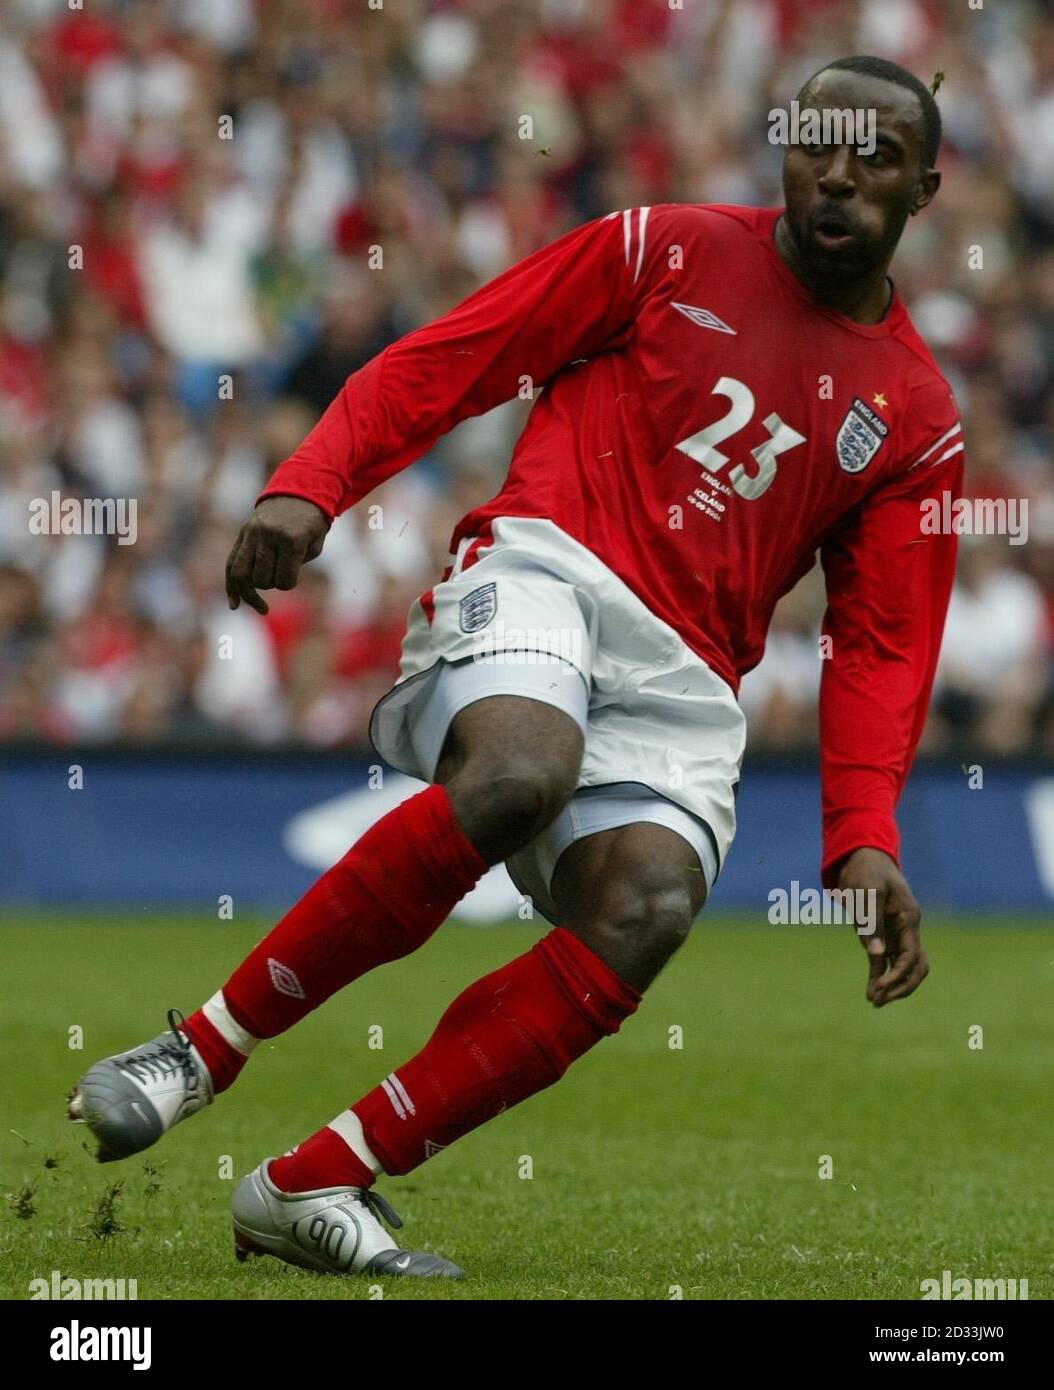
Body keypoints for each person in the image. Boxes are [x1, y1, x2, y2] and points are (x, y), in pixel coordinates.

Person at [70, 56, 964, 1281]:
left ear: (925, 185)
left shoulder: (917, 415)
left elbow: (883, 637)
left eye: (874, 156)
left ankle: (316, 1178)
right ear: (782, 152)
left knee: (646, 904)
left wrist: (864, 832)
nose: (838, 174)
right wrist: (311, 482)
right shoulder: (661, 247)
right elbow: (459, 354)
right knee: (514, 776)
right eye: (817, 144)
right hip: (549, 563)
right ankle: (198, 1053)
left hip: (687, 674)